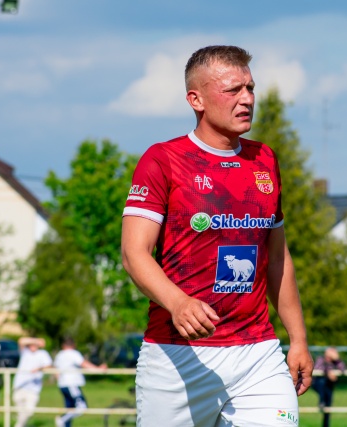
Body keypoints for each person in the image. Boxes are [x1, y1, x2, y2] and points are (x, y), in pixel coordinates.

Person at [121, 45, 313, 426]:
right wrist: (177, 303)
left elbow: (277, 258)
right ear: (196, 100)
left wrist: (299, 339)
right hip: (178, 357)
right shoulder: (162, 160)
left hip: (257, 353)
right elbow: (134, 253)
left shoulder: (265, 160)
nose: (247, 99)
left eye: (250, 88)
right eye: (233, 90)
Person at [53, 337, 106, 427]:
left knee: (69, 409)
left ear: (63, 345)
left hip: (62, 385)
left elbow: (55, 370)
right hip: (72, 384)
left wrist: (60, 380)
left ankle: (64, 423)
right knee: (82, 407)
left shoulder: (59, 355)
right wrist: (98, 370)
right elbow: (84, 364)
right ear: (74, 345)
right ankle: (63, 419)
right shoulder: (73, 353)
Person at [12, 337, 52, 427]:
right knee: (20, 412)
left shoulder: (43, 354)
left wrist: (39, 369)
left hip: (33, 388)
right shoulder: (25, 352)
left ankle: (18, 425)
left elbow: (49, 365)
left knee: (29, 411)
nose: (33, 346)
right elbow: (21, 341)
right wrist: (36, 341)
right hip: (19, 386)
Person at [312, 347, 346, 427]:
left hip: (329, 386)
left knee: (328, 407)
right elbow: (317, 368)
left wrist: (337, 360)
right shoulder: (321, 359)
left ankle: (326, 425)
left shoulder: (335, 362)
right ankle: (322, 401)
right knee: (322, 383)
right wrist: (328, 373)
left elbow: (343, 369)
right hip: (318, 383)